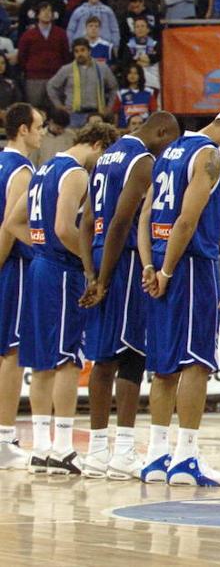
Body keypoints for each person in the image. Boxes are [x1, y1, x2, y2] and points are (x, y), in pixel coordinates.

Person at [139, 112, 220, 487]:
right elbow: (187, 220)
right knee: (196, 361)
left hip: (157, 257)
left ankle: (157, 455)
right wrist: (168, 271)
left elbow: (145, 215)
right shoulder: (209, 154)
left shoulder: (168, 152)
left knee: (164, 365)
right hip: (189, 263)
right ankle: (186, 457)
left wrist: (150, 266)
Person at [10, 120, 118, 475]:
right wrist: (89, 265)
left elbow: (13, 222)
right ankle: (62, 448)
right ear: (100, 145)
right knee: (67, 361)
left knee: (42, 361)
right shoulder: (75, 174)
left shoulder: (43, 169)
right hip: (61, 273)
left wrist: (40, 247)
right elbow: (62, 228)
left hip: (40, 269)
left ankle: (42, 448)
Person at [77, 112, 179, 479]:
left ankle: (97, 451)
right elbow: (121, 221)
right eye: (170, 144)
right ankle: (122, 451)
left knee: (103, 357)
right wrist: (104, 279)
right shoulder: (143, 161)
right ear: (162, 132)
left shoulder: (105, 158)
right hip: (125, 260)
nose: (169, 152)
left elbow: (86, 221)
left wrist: (90, 271)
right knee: (130, 355)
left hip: (102, 255)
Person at [0, 104, 44, 469]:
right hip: (11, 267)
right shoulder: (21, 169)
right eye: (40, 127)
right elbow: (8, 227)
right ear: (24, 129)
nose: (43, 133)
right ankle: (3, 438)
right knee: (11, 353)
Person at [47, 39, 119, 128]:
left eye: (82, 50)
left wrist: (109, 107)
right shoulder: (66, 69)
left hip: (96, 114)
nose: (79, 54)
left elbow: (114, 87)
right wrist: (59, 105)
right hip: (73, 115)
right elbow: (51, 86)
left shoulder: (102, 68)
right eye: (76, 51)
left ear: (89, 51)